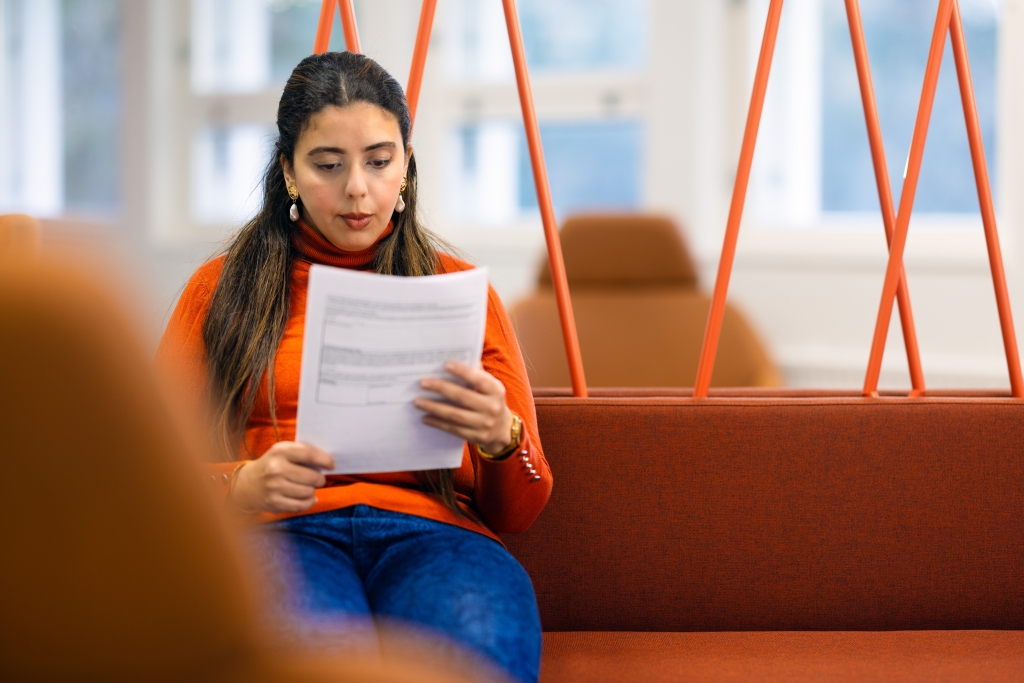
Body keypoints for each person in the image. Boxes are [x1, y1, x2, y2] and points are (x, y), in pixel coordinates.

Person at [157, 51, 551, 683]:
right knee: (302, 663)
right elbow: (149, 479)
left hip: (435, 534)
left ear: (406, 164)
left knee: (476, 658)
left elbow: (521, 511)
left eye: (378, 160)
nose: (357, 190)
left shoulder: (455, 289)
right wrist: (239, 484)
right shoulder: (221, 288)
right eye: (327, 165)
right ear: (287, 171)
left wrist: (501, 438)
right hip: (276, 534)